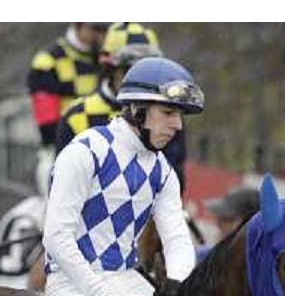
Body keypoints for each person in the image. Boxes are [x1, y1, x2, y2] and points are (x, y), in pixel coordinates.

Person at [43, 56, 204, 296]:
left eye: (180, 116)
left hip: (128, 280)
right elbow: (55, 237)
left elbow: (177, 238)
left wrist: (177, 280)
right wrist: (100, 292)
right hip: (69, 285)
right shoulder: (84, 152)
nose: (177, 125)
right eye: (169, 113)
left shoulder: (162, 171)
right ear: (136, 109)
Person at [56, 23, 188, 193]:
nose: (139, 79)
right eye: (129, 69)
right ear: (110, 69)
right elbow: (61, 185)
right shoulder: (76, 115)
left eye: (147, 71)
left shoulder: (169, 117)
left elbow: (174, 177)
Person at [28, 23, 109, 196]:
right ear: (79, 24)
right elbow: (47, 125)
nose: (101, 36)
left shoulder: (109, 60)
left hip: (106, 152)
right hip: (60, 151)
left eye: (105, 30)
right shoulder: (47, 62)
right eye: (96, 29)